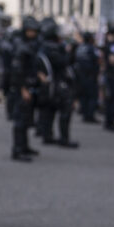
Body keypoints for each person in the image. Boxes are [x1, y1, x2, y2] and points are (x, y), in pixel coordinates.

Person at [36, 20, 78, 148]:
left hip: (49, 83)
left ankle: (47, 135)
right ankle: (63, 138)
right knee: (65, 111)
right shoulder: (53, 48)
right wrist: (69, 51)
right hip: (58, 83)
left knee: (49, 110)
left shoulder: (42, 46)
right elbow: (63, 63)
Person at [10, 16, 41, 162]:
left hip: (28, 85)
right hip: (22, 88)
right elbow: (17, 70)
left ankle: (24, 146)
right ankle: (18, 149)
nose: (33, 33)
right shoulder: (21, 45)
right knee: (20, 120)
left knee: (27, 118)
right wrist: (22, 88)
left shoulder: (29, 44)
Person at [75, 31, 99, 123]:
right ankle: (90, 116)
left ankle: (85, 114)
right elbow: (96, 61)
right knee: (92, 97)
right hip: (90, 76)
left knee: (83, 96)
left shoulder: (79, 48)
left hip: (81, 76)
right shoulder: (91, 48)